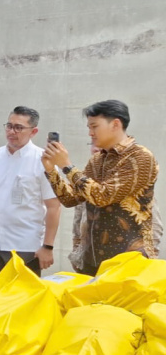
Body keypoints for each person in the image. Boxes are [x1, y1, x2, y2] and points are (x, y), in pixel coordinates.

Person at [42, 100, 158, 275]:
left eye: (94, 126)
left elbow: (103, 196)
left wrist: (67, 166)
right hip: (92, 260)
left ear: (115, 124)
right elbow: (71, 199)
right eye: (89, 127)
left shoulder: (139, 157)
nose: (90, 133)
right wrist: (51, 170)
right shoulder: (97, 160)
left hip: (128, 261)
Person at [0, 106, 61, 282]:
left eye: (19, 127)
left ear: (33, 131)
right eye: (9, 126)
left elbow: (54, 207)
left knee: (23, 302)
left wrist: (48, 246)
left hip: (25, 246)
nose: (11, 131)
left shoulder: (43, 161)